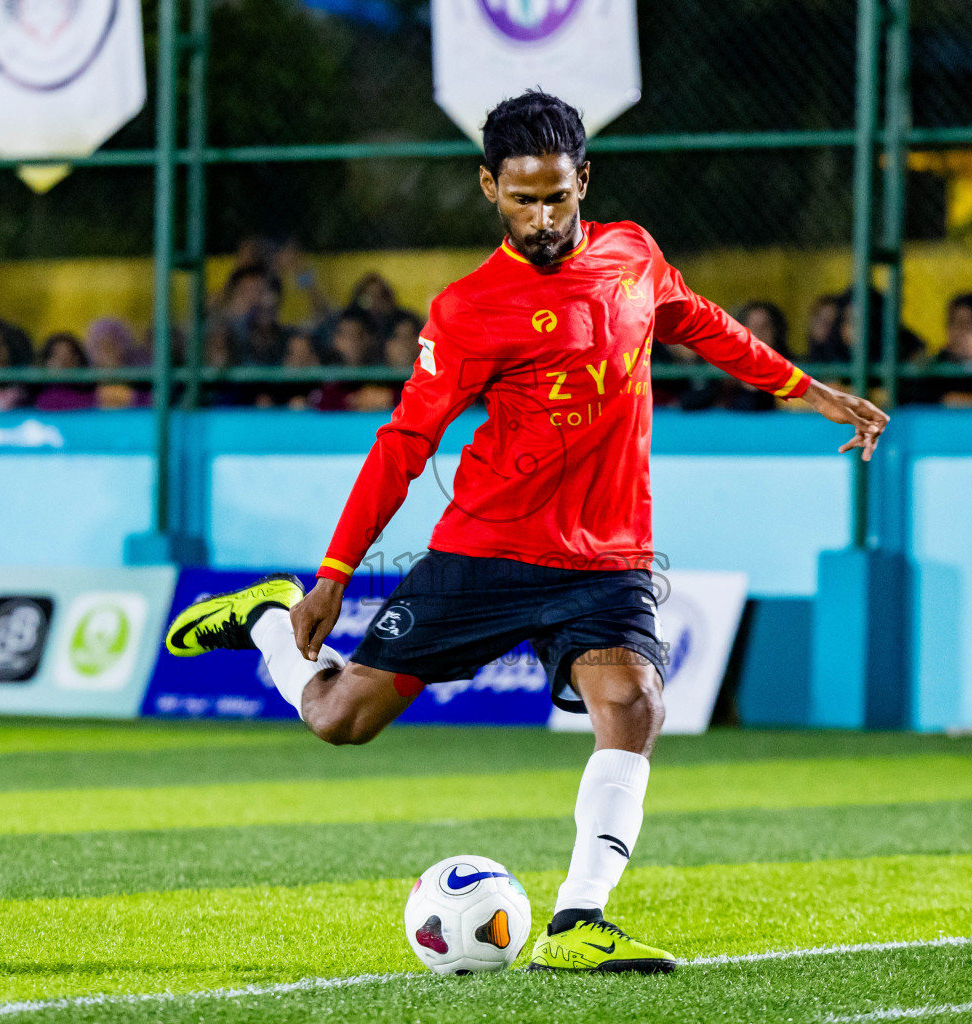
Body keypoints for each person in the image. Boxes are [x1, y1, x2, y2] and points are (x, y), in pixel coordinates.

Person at [161, 90, 888, 974]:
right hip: (487, 550)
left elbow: (701, 322)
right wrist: (331, 574)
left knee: (635, 705)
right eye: (521, 199)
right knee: (340, 719)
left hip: (608, 558)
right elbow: (404, 444)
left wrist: (808, 390)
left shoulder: (632, 254)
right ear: (488, 189)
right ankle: (267, 622)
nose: (542, 218)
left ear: (584, 179)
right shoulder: (468, 311)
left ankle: (579, 921)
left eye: (557, 196)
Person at [34, 332, 96, 412]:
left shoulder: (94, 395)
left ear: (78, 359)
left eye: (68, 355)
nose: (62, 362)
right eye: (56, 355)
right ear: (46, 361)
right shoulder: (34, 397)